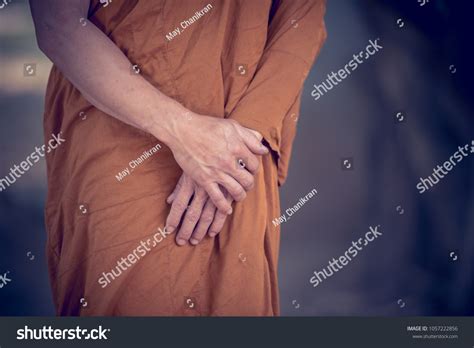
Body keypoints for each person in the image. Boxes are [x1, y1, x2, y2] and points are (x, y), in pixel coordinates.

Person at [30, 0, 327, 316]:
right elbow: (58, 25)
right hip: (125, 140)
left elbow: (301, 18)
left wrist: (238, 143)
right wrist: (182, 130)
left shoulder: (240, 151)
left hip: (242, 155)